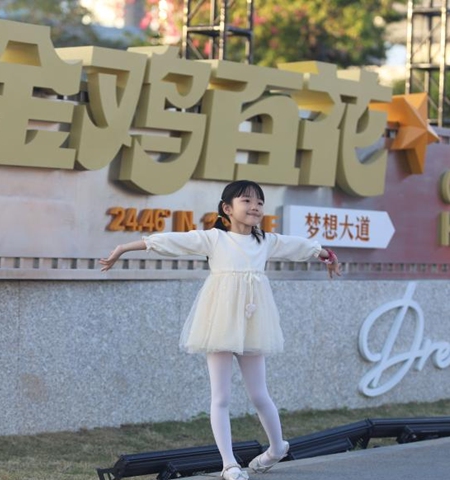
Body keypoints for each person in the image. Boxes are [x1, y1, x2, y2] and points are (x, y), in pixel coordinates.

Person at [100, 180, 342, 480]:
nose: (255, 207)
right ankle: (229, 464)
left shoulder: (265, 241)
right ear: (227, 209)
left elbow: (301, 248)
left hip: (254, 322)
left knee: (259, 393)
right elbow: (171, 240)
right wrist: (123, 247)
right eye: (247, 201)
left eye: (260, 202)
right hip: (219, 322)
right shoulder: (214, 239)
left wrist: (328, 257)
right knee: (221, 397)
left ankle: (278, 447)